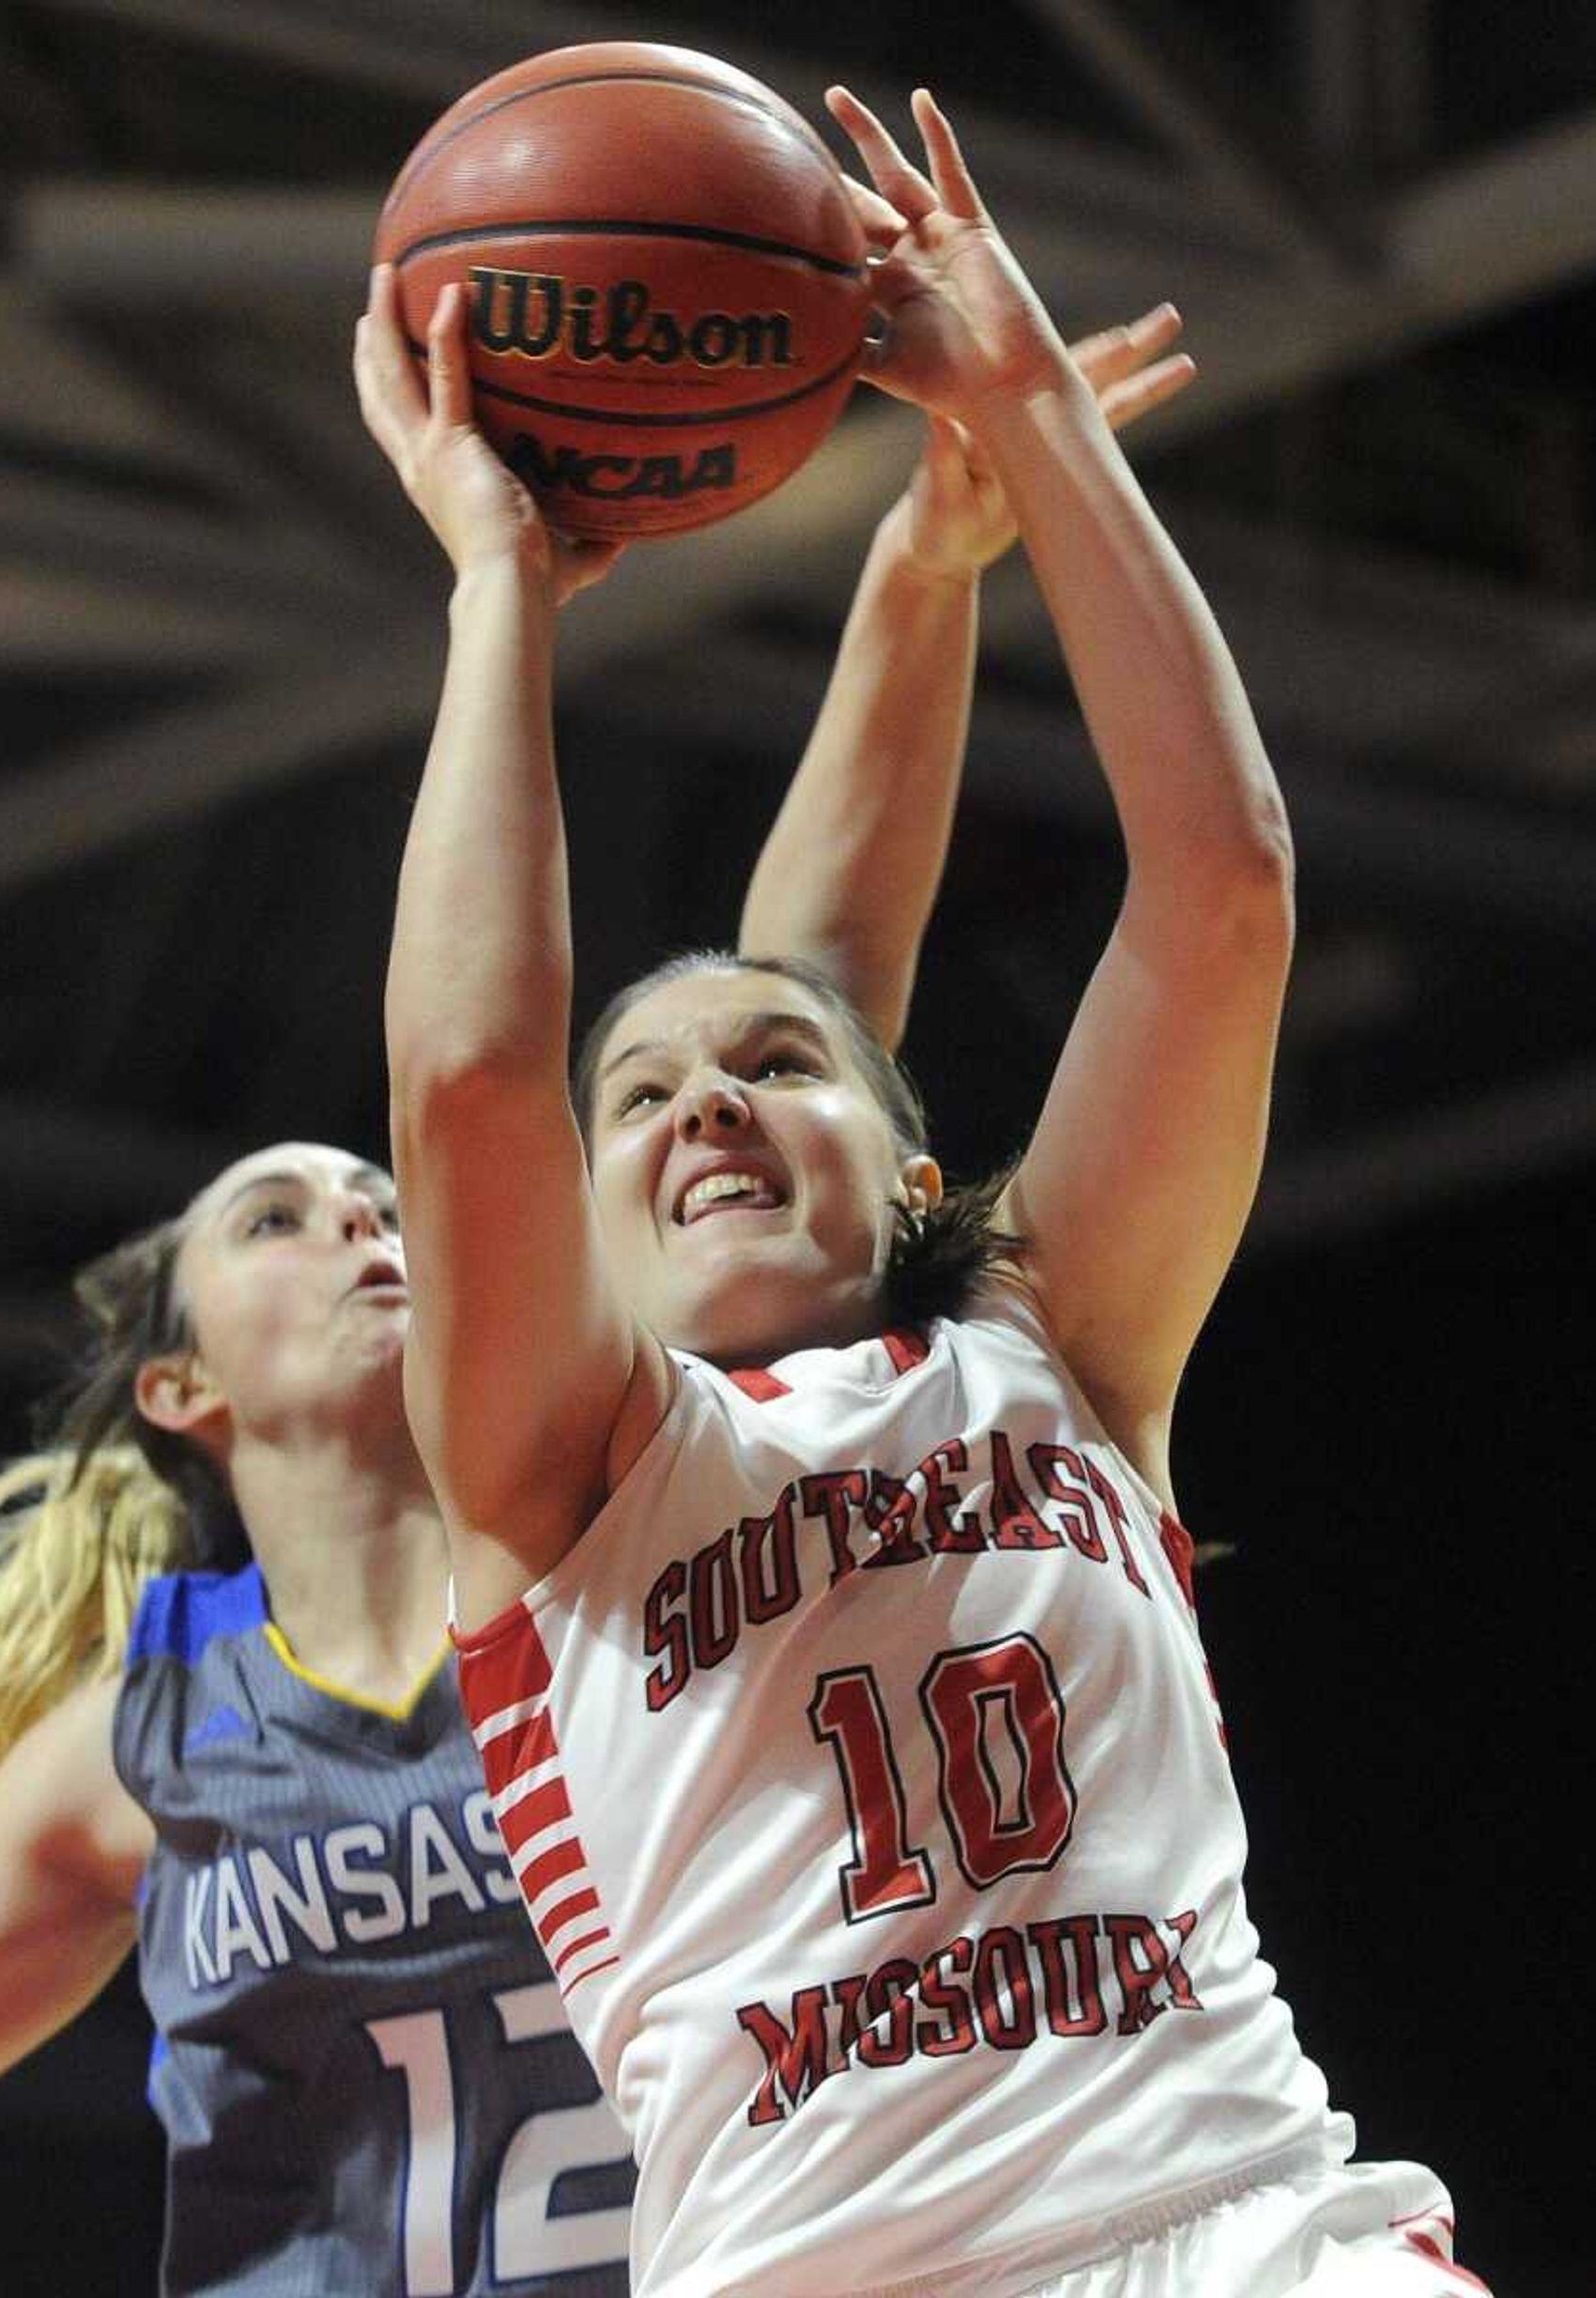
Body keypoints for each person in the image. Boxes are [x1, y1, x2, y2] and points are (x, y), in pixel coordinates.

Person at [0, 265, 1195, 2293]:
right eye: (274, 1217)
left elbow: (810, 992)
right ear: (184, 1388)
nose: (369, 1222)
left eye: (383, 1193)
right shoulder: (158, 1735)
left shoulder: (635, 1510)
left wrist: (919, 574)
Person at [369, 82, 1487, 2298]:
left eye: (777, 1060)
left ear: (909, 1159)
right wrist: (502, 581)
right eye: (646, 1097)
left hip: (1241, 2226)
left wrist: (1030, 407)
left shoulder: (1059, 1346)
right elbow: (478, 1062)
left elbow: (1226, 886)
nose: (704, 1104)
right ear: (573, 1237)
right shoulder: (560, 1474)